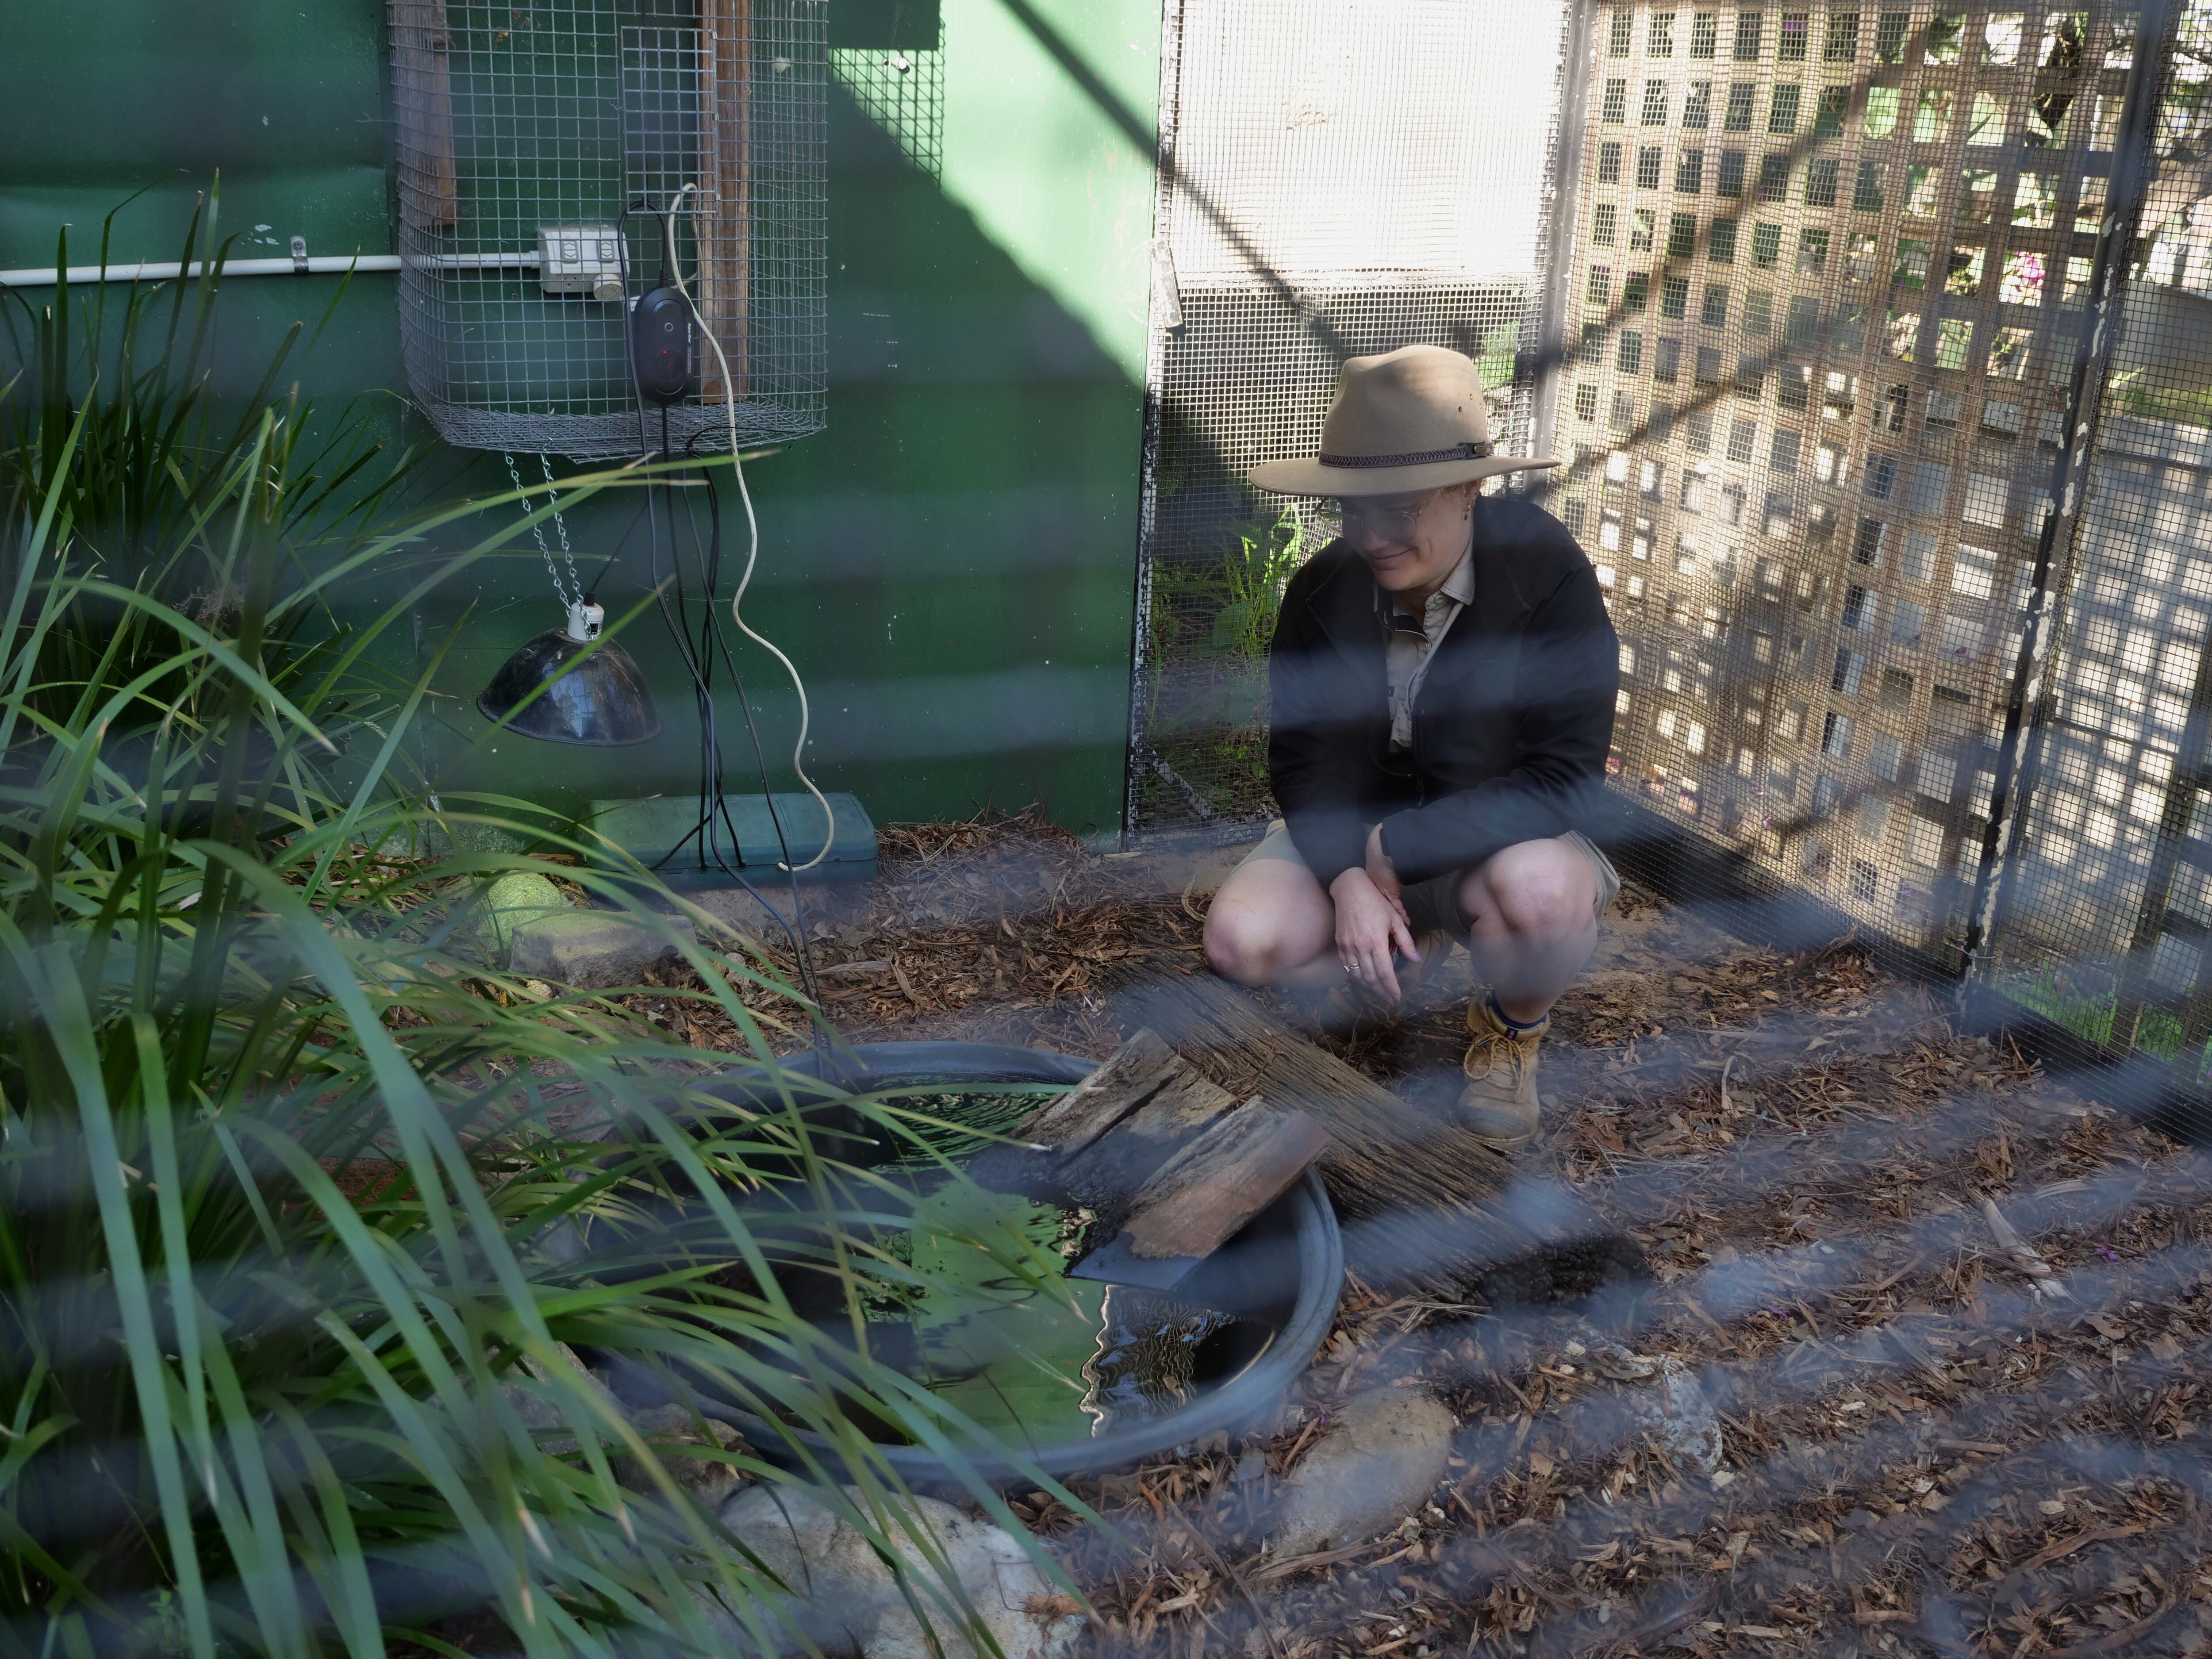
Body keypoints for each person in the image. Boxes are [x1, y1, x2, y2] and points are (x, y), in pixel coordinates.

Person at [1202, 344, 1621, 1152]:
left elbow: (1566, 779)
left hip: (1494, 845)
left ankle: (1509, 1032)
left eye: (1400, 507)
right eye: (1354, 508)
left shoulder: (1549, 576)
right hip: (1354, 833)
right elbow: (1303, 763)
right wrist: (1351, 874)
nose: (1372, 535)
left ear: (1470, 488)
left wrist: (1401, 846)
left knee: (1540, 897)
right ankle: (1395, 960)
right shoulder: (1322, 590)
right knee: (1239, 941)